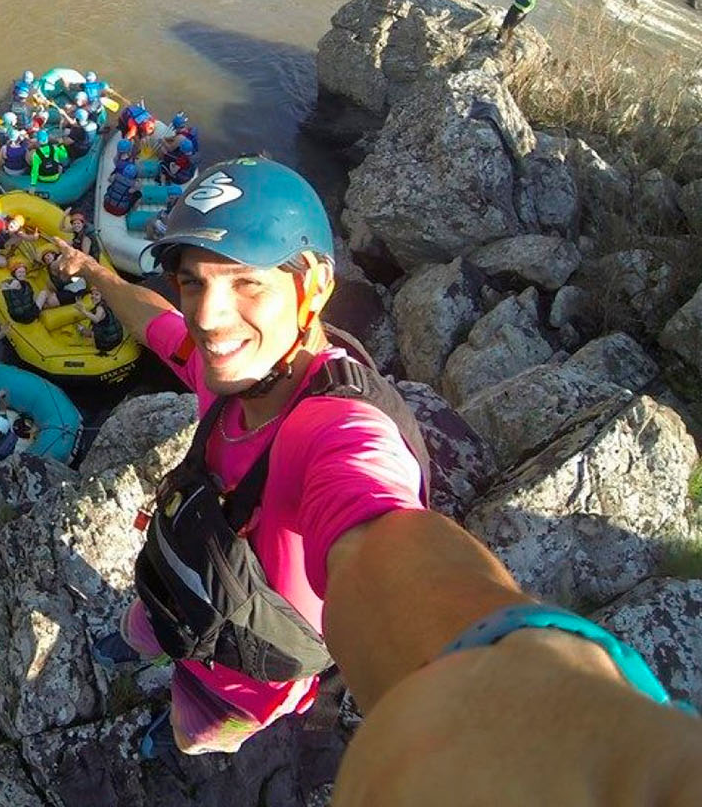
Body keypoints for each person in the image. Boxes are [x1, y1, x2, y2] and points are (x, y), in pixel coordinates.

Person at [51, 154, 667, 773]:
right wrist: (92, 274)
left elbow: (383, 540)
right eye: (194, 282)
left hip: (244, 678)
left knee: (196, 728)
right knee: (146, 624)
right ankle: (141, 643)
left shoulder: (338, 428)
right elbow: (159, 324)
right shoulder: (233, 372)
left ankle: (178, 728)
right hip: (179, 581)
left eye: (246, 282)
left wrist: (504, 706)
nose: (208, 317)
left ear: (315, 285)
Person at [77, 288, 125, 352]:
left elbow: (96, 319)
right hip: (117, 337)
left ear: (102, 296)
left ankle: (81, 329)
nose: (93, 296)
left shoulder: (100, 308)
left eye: (97, 295)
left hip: (108, 342)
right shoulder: (108, 303)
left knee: (85, 330)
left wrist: (83, 311)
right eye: (92, 294)